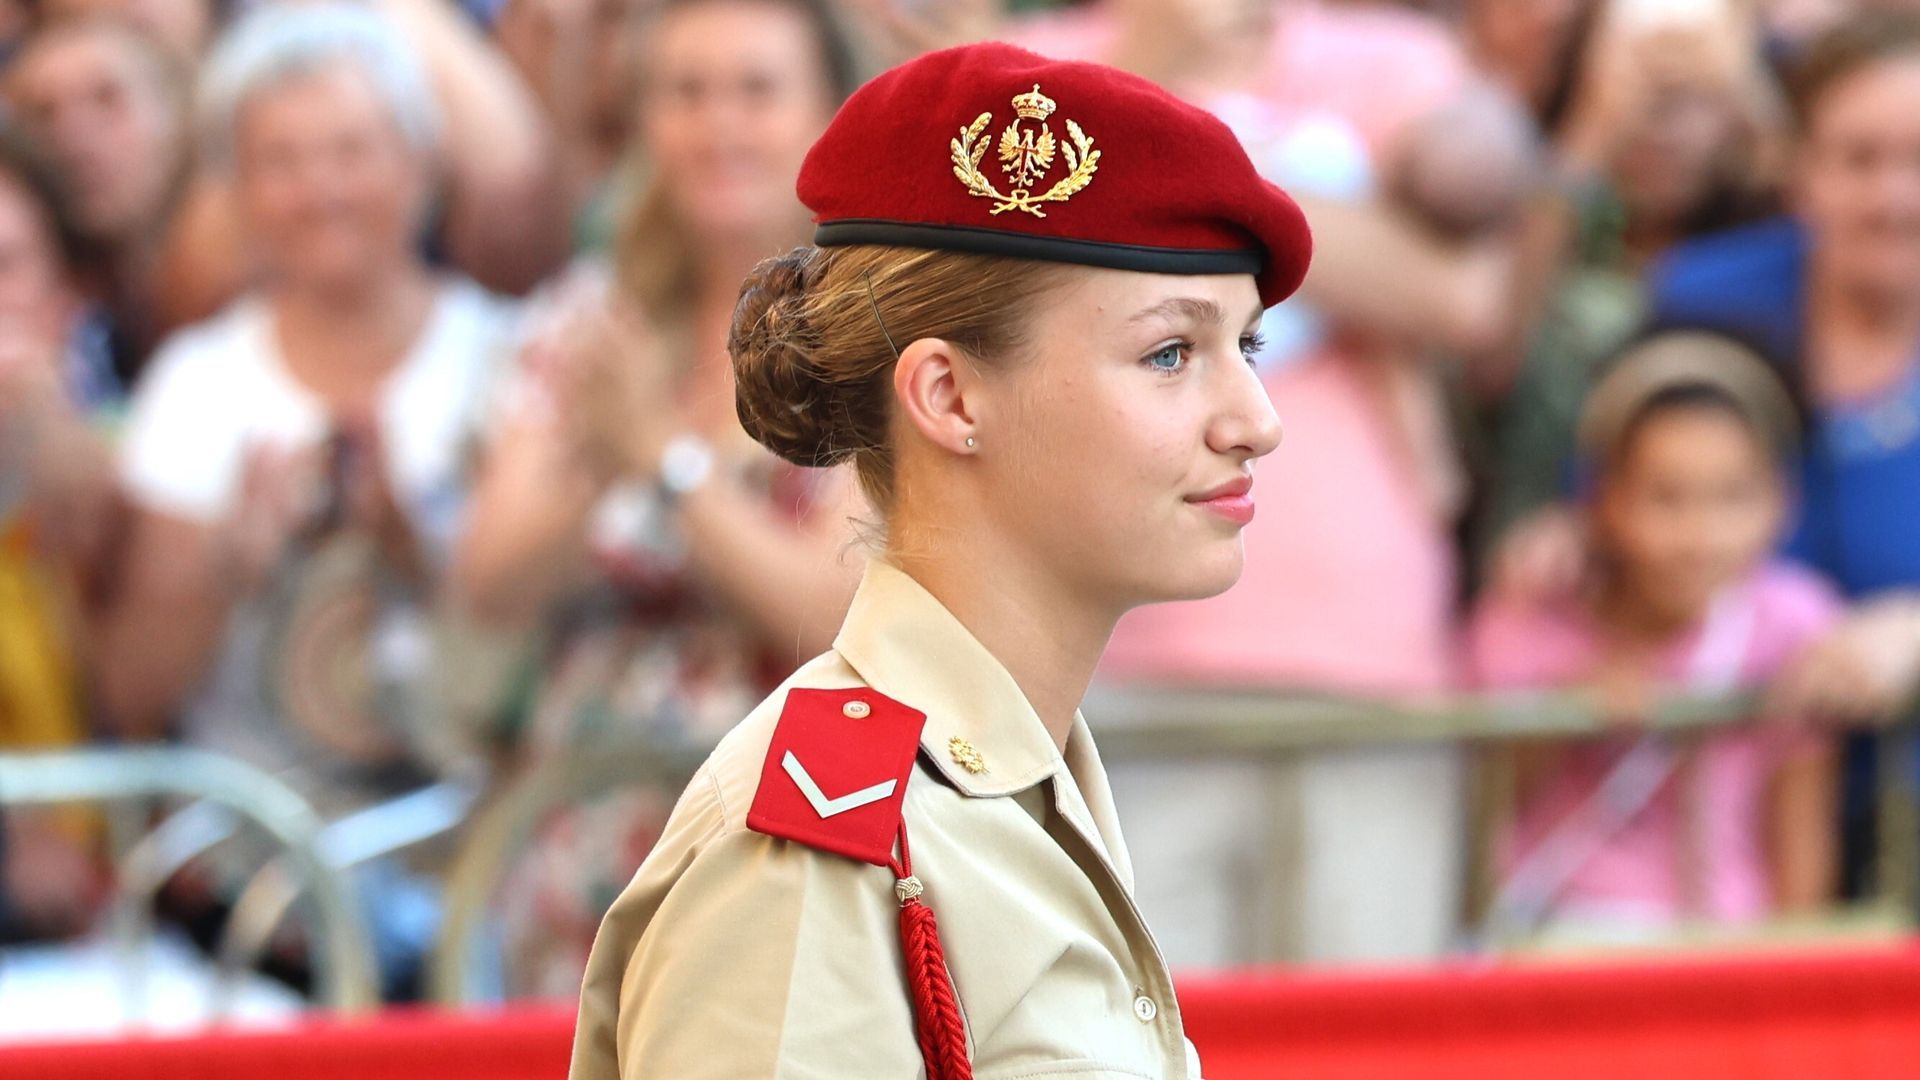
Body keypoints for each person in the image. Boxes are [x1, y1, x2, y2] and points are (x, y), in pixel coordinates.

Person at [569, 41, 1308, 1076]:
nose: (1255, 421)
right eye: (1170, 353)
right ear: (950, 398)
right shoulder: (818, 848)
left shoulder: (1016, 782)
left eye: (1249, 347)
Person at [93, 4, 522, 991]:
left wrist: (416, 547)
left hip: (478, 871)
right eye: (280, 159)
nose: (320, 189)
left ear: (420, 165)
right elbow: (128, 693)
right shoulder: (196, 386)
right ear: (236, 192)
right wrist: (224, 568)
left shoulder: (509, 361)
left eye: (351, 149)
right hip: (249, 907)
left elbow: (541, 653)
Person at [450, 0, 868, 996]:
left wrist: (666, 462)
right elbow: (489, 582)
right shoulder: (592, 316)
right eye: (685, 92)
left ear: (827, 115)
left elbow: (838, 615)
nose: (717, 123)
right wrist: (606, 453)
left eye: (755, 90)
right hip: (583, 831)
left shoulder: (871, 330)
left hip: (789, 830)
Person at [1471, 334, 1838, 942]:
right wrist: (1565, 716)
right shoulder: (1525, 619)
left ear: (1781, 503)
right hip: (1555, 947)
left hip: (1725, 951)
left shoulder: (1794, 627)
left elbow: (1799, 837)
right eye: (1666, 498)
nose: (1700, 535)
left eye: (1733, 497)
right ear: (1605, 501)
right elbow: (1482, 809)